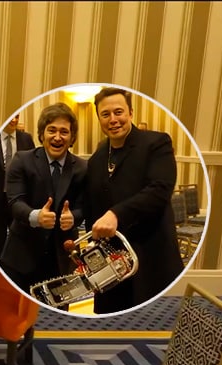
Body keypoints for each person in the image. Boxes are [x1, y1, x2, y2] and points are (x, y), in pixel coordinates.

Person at [85, 87, 184, 314]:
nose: (113, 119)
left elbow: (159, 190)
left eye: (118, 112)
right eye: (105, 114)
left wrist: (116, 214)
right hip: (112, 262)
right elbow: (92, 206)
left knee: (153, 321)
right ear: (99, 119)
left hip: (151, 256)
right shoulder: (97, 159)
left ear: (130, 112)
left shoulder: (156, 143)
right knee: (111, 320)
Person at [0, 103, 87, 301]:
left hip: (63, 258)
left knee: (59, 311)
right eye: (52, 130)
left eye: (64, 132)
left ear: (72, 137)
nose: (57, 137)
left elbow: (85, 207)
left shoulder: (82, 168)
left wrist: (74, 217)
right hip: (22, 255)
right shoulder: (22, 160)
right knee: (16, 311)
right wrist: (36, 216)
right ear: (42, 134)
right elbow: (14, 202)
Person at [0, 114, 35, 262]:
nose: (14, 120)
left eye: (17, 117)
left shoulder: (26, 139)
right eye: (11, 117)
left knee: (20, 237)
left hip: (19, 198)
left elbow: (33, 166)